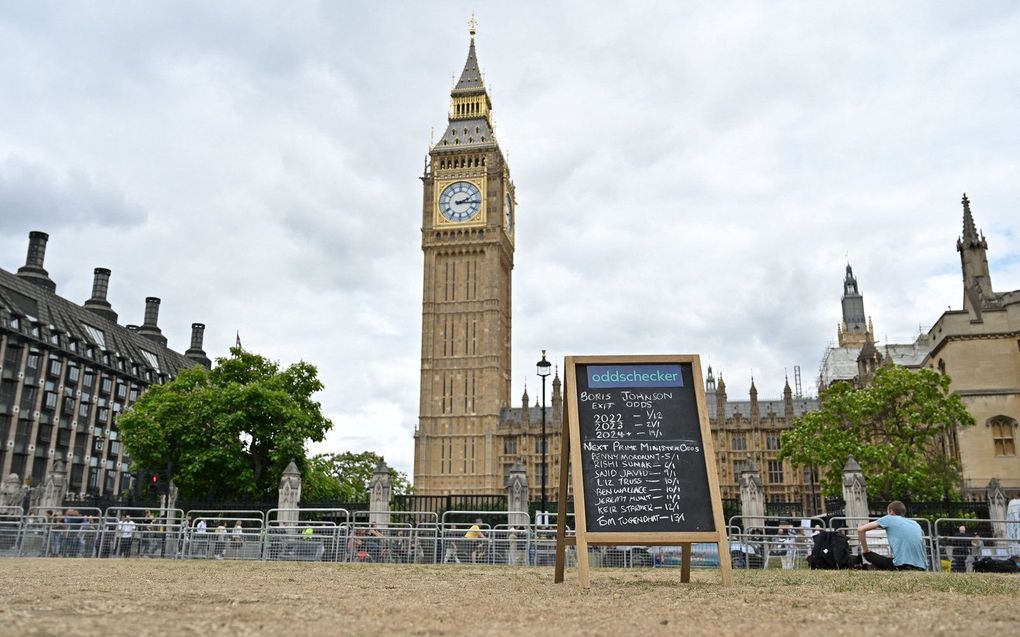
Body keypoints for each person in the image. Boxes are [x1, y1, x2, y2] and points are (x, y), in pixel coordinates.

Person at [857, 500, 927, 571]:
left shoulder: (889, 518)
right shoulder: (915, 523)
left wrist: (865, 551)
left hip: (902, 565)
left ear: (891, 511)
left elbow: (861, 529)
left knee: (869, 556)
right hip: (921, 566)